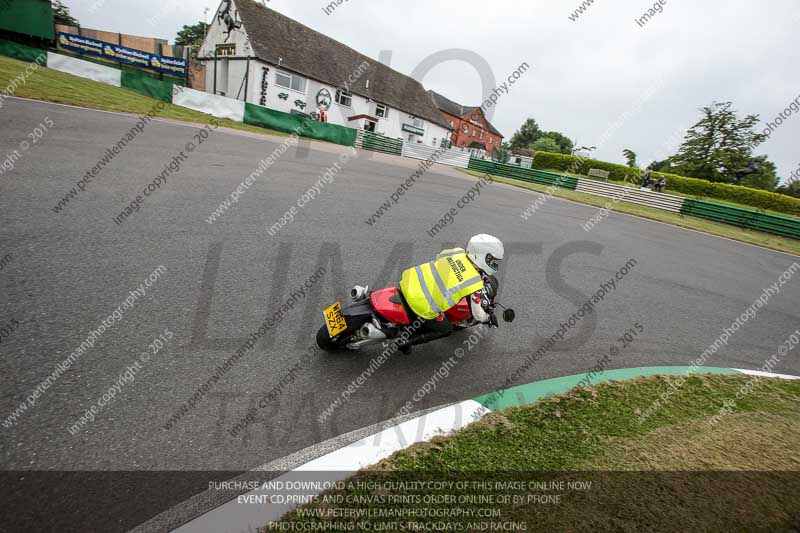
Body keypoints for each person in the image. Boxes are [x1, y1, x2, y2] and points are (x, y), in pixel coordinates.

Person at [396, 234, 504, 351]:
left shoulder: (456, 252)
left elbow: (439, 259)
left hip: (408, 282)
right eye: (493, 261)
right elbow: (477, 313)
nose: (495, 264)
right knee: (445, 329)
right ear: (482, 257)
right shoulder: (475, 283)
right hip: (421, 304)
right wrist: (487, 317)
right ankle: (405, 342)